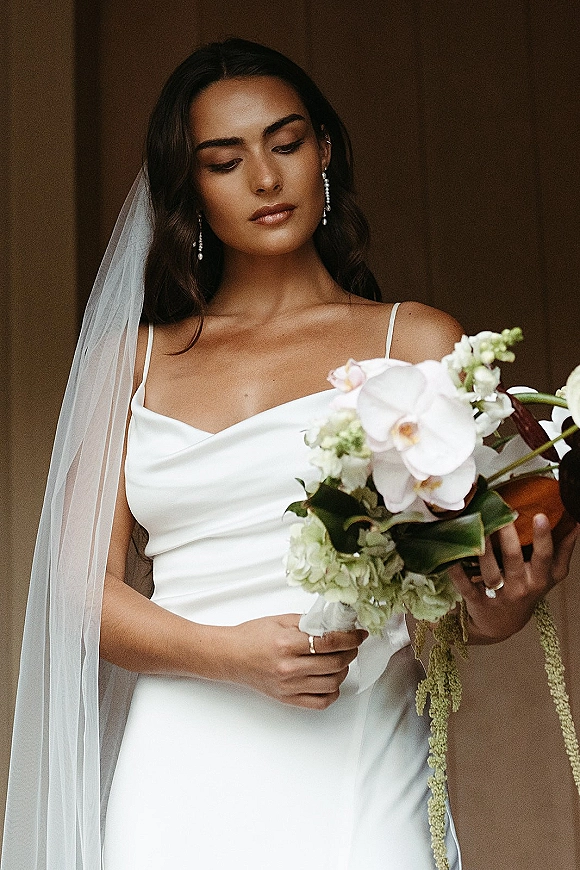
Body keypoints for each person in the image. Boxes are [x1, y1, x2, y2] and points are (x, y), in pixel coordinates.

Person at [1, 38, 577, 870]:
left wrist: (504, 604)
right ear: (190, 187)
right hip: (179, 765)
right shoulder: (136, 359)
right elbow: (79, 588)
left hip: (359, 744)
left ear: (325, 151)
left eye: (286, 143)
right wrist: (231, 657)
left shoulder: (415, 342)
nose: (266, 181)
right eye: (224, 161)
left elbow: (456, 595)